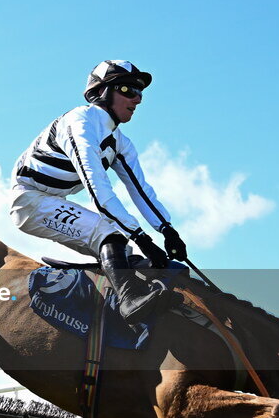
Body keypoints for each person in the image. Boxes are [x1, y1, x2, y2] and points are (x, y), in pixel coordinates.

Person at [10, 60, 185, 325]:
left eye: (140, 92)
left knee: (124, 252)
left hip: (52, 200)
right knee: (110, 233)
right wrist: (141, 237)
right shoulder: (79, 122)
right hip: (29, 201)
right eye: (128, 90)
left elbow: (141, 191)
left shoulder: (121, 143)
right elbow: (97, 188)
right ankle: (128, 301)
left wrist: (167, 230)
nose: (137, 99)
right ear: (103, 93)